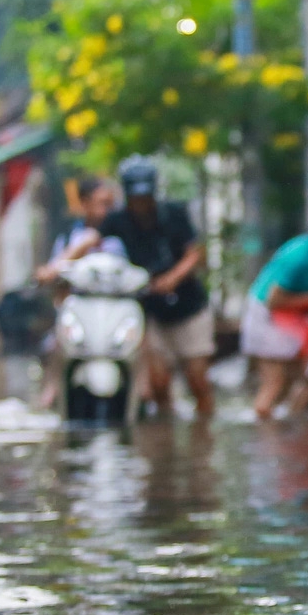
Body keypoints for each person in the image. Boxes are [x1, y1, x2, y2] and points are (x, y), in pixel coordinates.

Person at [64, 155, 215, 418]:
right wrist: (58, 264)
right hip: (151, 311)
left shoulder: (175, 214)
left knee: (197, 381)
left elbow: (196, 254)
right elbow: (88, 242)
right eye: (136, 198)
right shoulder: (118, 219)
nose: (141, 204)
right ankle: (167, 437)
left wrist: (173, 278)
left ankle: (203, 437)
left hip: (189, 308)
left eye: (145, 197)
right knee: (158, 383)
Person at [241, 211, 308, 416]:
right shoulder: (299, 256)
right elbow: (274, 300)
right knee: (275, 383)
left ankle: (291, 434)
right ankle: (266, 432)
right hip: (267, 316)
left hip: (298, 322)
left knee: (303, 383)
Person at [33, 176, 124, 409]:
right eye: (103, 203)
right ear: (84, 203)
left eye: (111, 204)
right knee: (56, 344)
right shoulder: (69, 237)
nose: (108, 210)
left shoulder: (122, 236)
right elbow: (52, 276)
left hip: (116, 316)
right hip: (82, 315)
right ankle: (52, 389)